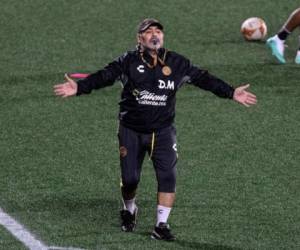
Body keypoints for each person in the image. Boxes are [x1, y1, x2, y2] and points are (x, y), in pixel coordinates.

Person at [54, 18, 257, 241]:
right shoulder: (128, 62)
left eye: (158, 31)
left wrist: (231, 92)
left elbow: (203, 78)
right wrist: (80, 87)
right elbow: (105, 76)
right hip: (131, 129)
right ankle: (129, 208)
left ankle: (161, 225)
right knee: (130, 179)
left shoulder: (177, 63)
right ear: (139, 38)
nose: (154, 35)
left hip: (162, 131)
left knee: (168, 175)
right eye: (148, 31)